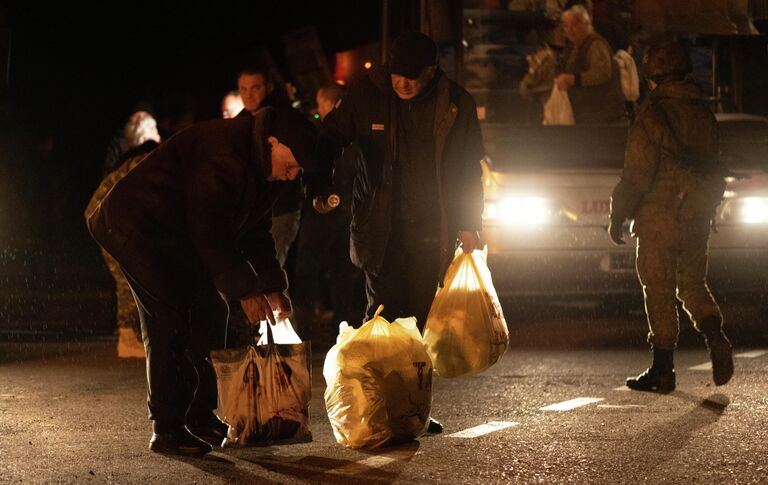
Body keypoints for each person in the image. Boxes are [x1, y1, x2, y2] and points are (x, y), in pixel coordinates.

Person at [85, 106, 319, 456]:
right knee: (171, 318)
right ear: (274, 142)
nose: (294, 173)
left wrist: (272, 287)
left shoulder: (266, 170)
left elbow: (255, 233)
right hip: (136, 226)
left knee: (210, 313)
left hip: (176, 235)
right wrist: (244, 292)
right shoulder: (225, 154)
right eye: (294, 162)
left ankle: (198, 415)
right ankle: (167, 428)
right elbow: (209, 230)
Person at [316, 31, 485, 433]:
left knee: (419, 318)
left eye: (412, 77)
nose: (402, 84)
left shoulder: (456, 103)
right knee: (384, 315)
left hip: (432, 229)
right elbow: (329, 137)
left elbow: (466, 170)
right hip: (381, 227)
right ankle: (381, 406)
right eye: (397, 75)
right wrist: (319, 184)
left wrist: (470, 223)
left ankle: (412, 408)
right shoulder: (367, 93)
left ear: (431, 71)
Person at [608, 40, 734, 393]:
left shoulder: (651, 116)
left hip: (658, 218)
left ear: (653, 74)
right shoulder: (704, 115)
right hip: (696, 216)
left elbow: (636, 176)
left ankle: (663, 370)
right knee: (692, 283)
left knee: (659, 289)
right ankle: (714, 333)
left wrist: (618, 214)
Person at [291, 83, 366, 338]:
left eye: (321, 104)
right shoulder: (356, 134)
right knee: (340, 267)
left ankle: (304, 317)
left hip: (322, 209)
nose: (318, 109)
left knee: (309, 264)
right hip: (346, 210)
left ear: (330, 104)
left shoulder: (325, 133)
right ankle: (342, 320)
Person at [87, 111, 161, 358]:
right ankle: (128, 338)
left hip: (112, 217)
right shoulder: (147, 158)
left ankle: (135, 335)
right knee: (126, 276)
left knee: (135, 273)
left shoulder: (137, 157)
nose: (160, 136)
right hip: (107, 219)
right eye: (156, 131)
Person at [237, 67, 304, 267]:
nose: (249, 95)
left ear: (269, 88)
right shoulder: (240, 123)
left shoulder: (285, 119)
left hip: (282, 206)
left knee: (271, 267)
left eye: (255, 88)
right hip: (253, 210)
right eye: (244, 89)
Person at [553, 5, 625, 124]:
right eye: (566, 26)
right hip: (582, 113)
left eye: (574, 25)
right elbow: (561, 66)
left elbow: (602, 73)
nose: (569, 30)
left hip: (601, 115)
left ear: (586, 24)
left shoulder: (595, 44)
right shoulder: (572, 46)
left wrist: (572, 79)